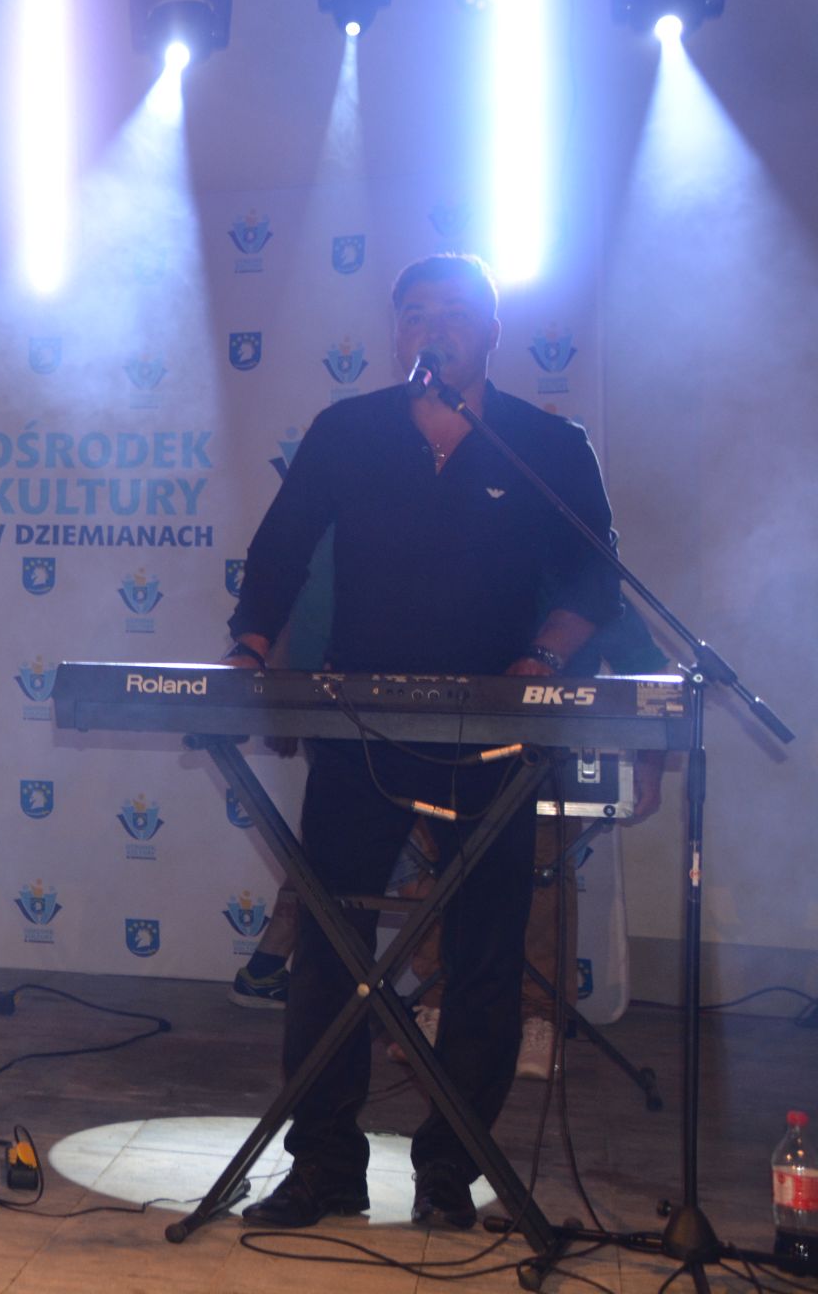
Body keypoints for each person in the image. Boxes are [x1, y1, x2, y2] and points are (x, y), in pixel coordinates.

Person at [222, 252, 619, 1232]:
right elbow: (279, 550)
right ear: (396, 330)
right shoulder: (347, 430)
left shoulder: (545, 443)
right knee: (331, 945)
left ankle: (451, 1170)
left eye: (453, 312)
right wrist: (249, 648)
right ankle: (324, 1165)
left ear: (492, 332)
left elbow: (593, 583)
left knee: (484, 956)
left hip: (494, 734)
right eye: (415, 312)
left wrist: (543, 655)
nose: (431, 327)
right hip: (358, 727)